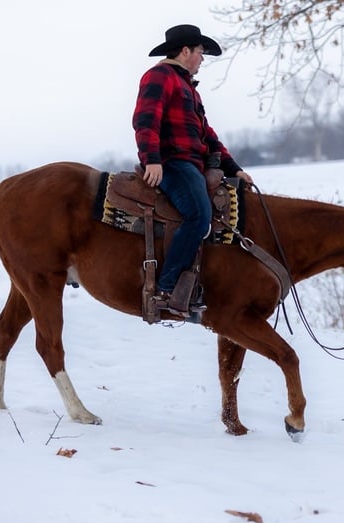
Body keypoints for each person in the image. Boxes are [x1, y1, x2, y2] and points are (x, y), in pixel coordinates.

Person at [133, 24, 253, 315]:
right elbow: (145, 120)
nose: (202, 59)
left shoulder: (188, 88)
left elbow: (207, 135)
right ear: (185, 51)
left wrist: (234, 168)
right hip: (173, 163)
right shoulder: (159, 76)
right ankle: (166, 288)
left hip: (191, 164)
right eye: (200, 52)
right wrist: (152, 159)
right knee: (199, 216)